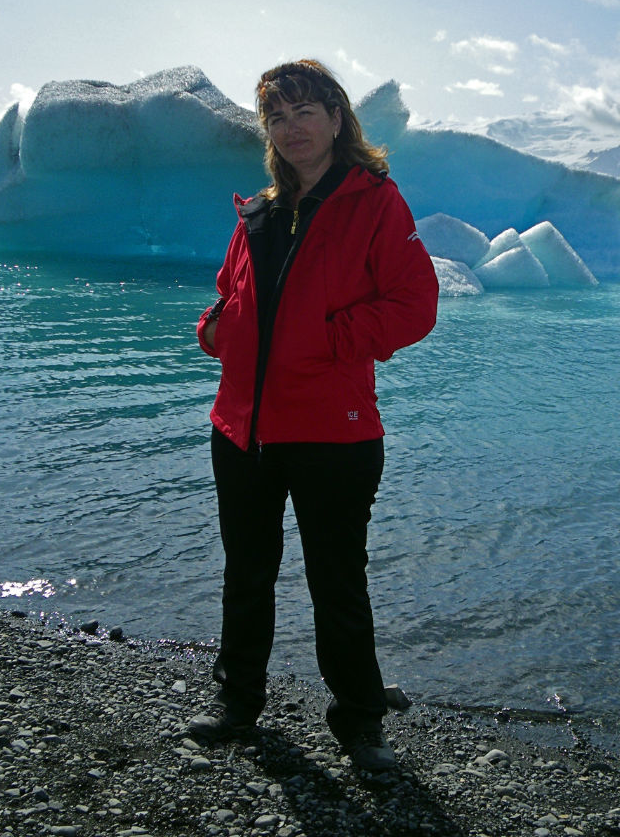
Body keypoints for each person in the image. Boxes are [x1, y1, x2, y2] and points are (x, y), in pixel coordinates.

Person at [196, 60, 438, 772]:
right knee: (246, 572)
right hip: (241, 426)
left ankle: (359, 720)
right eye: (277, 116)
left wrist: (325, 342)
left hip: (333, 430)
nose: (291, 127)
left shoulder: (375, 202)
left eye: (305, 111)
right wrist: (216, 328)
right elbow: (228, 292)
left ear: (337, 119)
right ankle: (236, 703)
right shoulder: (260, 211)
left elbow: (413, 306)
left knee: (336, 580)